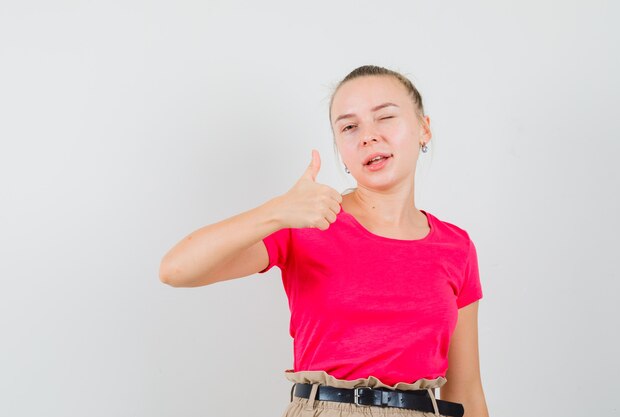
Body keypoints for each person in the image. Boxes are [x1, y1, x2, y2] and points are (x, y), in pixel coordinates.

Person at [159, 65, 489, 417]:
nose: (368, 136)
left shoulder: (456, 247)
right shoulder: (307, 222)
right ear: (340, 149)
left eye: (385, 117)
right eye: (349, 127)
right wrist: (277, 211)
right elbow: (176, 269)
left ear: (424, 128)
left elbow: (465, 388)